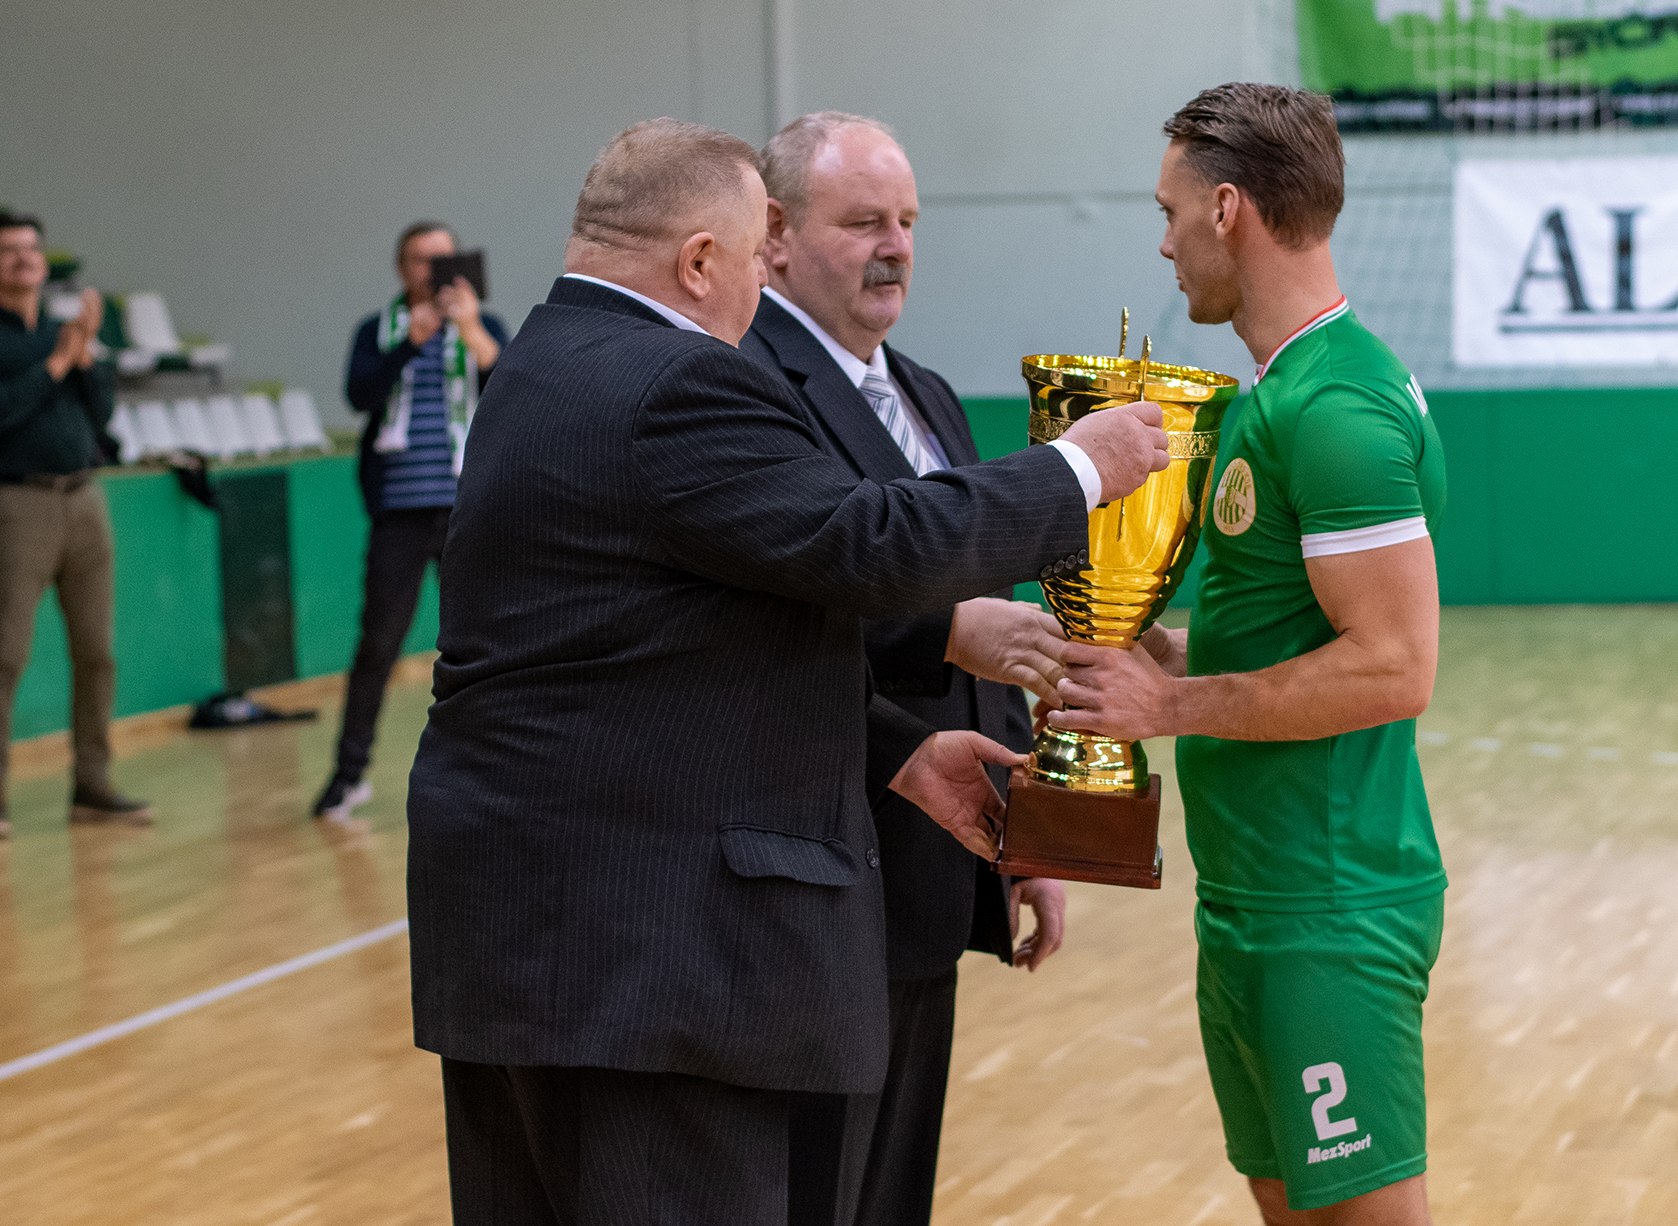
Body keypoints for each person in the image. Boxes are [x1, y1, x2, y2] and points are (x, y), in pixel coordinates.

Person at [406, 117, 1169, 1226]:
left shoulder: (537, 364)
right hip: (649, 972)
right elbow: (873, 544)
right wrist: (1079, 468)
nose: (759, 287)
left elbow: (680, 643)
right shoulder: (673, 381)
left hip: (538, 956)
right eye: (753, 256)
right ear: (699, 262)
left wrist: (899, 753)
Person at [1053, 84, 1447, 1226]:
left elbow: (1395, 665)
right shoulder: (1282, 394)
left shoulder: (1337, 407)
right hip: (1248, 896)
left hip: (1329, 904)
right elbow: (1293, 632)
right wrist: (1158, 653)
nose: (1163, 241)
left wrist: (1167, 709)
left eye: (1169, 210)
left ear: (1227, 209)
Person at [741, 111, 1070, 1226]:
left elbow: (996, 628)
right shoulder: (745, 384)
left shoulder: (925, 389)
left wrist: (1030, 836)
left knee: (891, 1194)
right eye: (864, 222)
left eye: (910, 222)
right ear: (774, 234)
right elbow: (792, 615)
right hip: (826, 872)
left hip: (932, 872)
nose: (895, 248)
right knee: (819, 1194)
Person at [310, 221, 509, 821]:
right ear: (402, 268)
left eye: (445, 259)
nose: (435, 271)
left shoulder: (485, 326)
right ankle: (348, 776)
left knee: (485, 644)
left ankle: (495, 771)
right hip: (398, 513)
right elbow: (359, 396)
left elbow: (511, 391)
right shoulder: (377, 331)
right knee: (377, 645)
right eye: (422, 260)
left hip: (468, 512)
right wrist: (408, 344)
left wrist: (471, 332)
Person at [0, 212, 149, 837]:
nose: (24, 259)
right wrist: (57, 363)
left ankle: (93, 782)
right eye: (9, 250)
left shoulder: (63, 330)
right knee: (6, 655)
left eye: (31, 249)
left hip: (84, 499)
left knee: (97, 652)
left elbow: (103, 414)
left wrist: (85, 358)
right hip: (18, 503)